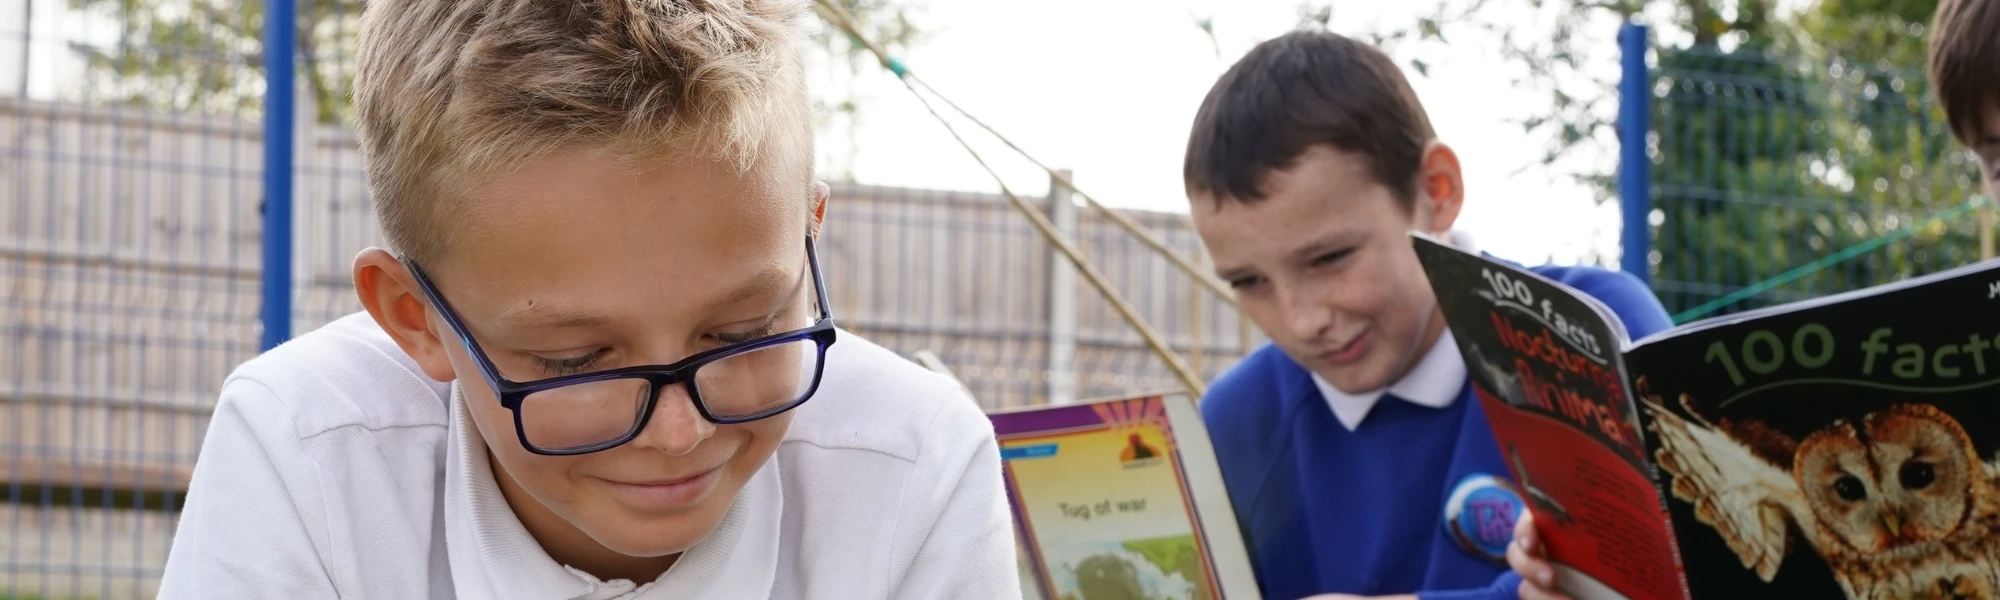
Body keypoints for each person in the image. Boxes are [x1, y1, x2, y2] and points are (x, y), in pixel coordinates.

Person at [156, 0, 1020, 597]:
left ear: (809, 234)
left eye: (744, 329)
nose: (680, 432)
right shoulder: (306, 452)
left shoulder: (916, 466)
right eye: (572, 360)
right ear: (414, 319)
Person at [1180, 30, 1675, 600]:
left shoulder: (1591, 330)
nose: (1301, 321)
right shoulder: (1235, 424)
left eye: (1330, 258)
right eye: (1249, 282)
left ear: (1436, 191)